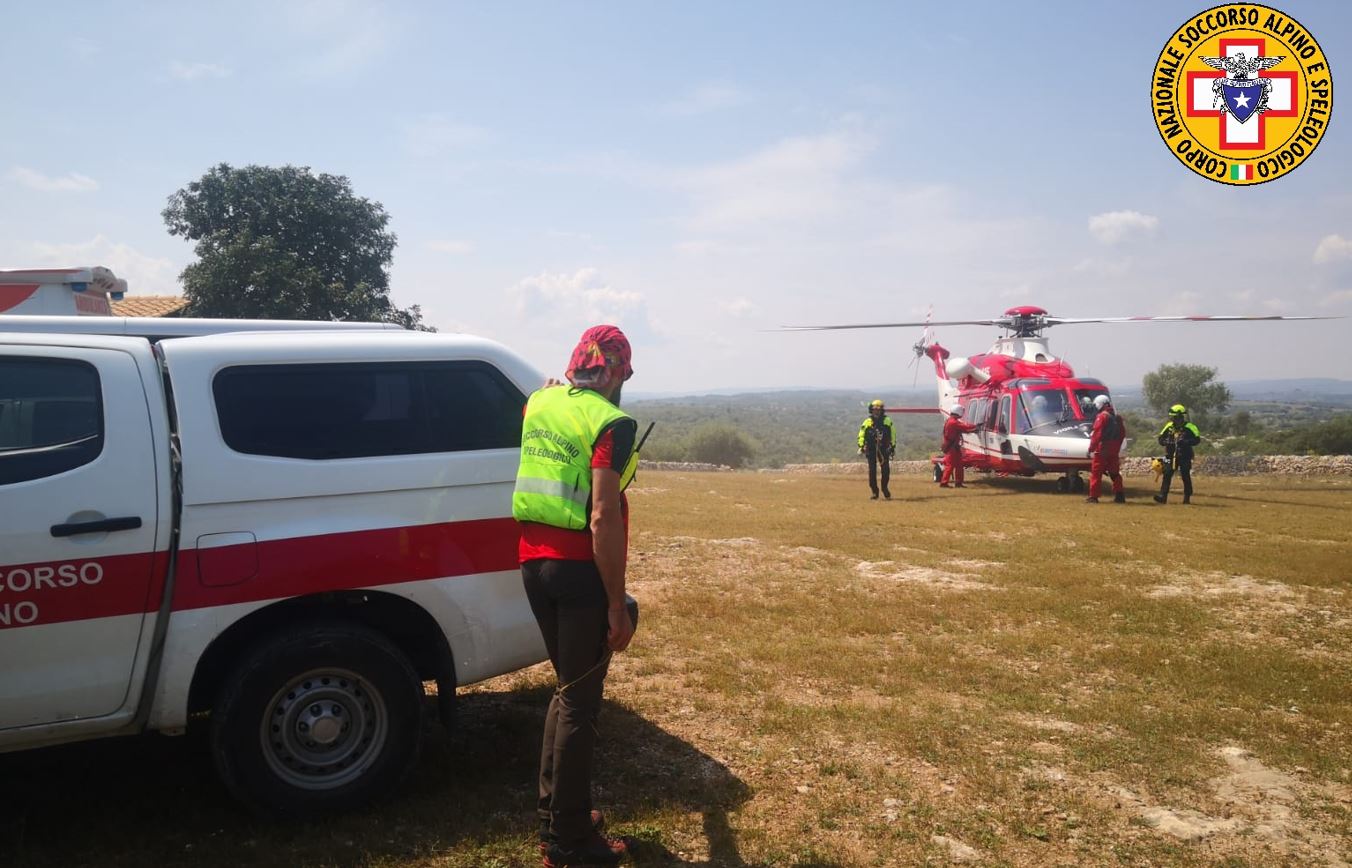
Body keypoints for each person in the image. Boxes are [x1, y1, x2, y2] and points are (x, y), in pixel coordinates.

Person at [513, 324, 637, 867]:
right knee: (580, 705)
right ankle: (569, 842)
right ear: (615, 372)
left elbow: (543, 414)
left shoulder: (538, 403)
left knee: (567, 692)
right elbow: (603, 515)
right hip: (578, 572)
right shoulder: (611, 422)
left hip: (532, 565)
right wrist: (615, 603)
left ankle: (557, 817)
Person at [1154, 404, 1201, 504]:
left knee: (1185, 475)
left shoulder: (1190, 427)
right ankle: (1162, 496)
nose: (1174, 419)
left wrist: (1185, 442)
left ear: (1181, 416)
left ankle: (1187, 497)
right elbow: (1160, 438)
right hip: (1170, 455)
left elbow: (1197, 440)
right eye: (1173, 417)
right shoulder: (1169, 426)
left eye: (1176, 417)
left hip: (1185, 455)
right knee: (1167, 474)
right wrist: (1166, 442)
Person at [1085, 394, 1127, 504]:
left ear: (1100, 404)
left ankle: (1093, 497)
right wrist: (1117, 446)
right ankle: (1119, 495)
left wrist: (1090, 449)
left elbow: (1097, 435)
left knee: (1096, 473)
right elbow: (1122, 434)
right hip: (1114, 449)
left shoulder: (1102, 417)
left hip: (1103, 448)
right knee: (1114, 472)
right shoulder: (1117, 417)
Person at [857, 399, 896, 499]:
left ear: (882, 410)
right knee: (872, 471)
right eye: (875, 409)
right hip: (871, 448)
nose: (877, 411)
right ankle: (874, 491)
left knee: (885, 470)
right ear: (871, 410)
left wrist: (892, 446)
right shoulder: (867, 422)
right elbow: (861, 434)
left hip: (884, 448)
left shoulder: (887, 421)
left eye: (878, 410)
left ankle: (884, 488)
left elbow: (893, 433)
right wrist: (861, 445)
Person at [938, 406, 977, 488]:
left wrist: (972, 430)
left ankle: (958, 483)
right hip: (952, 447)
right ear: (959, 412)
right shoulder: (953, 422)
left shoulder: (951, 421)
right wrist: (975, 426)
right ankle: (944, 483)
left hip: (954, 447)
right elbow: (965, 426)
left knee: (959, 465)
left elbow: (961, 429)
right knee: (950, 465)